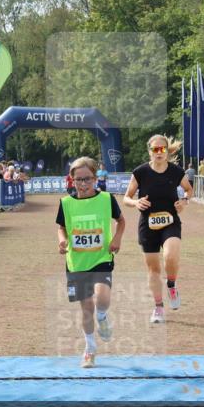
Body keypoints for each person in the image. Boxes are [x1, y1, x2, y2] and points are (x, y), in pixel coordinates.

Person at [56, 157, 125, 368]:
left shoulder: (106, 199)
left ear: (95, 178)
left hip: (101, 257)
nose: (83, 184)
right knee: (86, 307)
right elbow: (61, 227)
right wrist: (62, 240)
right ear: (72, 180)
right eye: (78, 180)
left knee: (102, 299)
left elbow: (121, 221)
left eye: (87, 179)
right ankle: (90, 349)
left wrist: (117, 238)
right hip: (77, 263)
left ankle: (102, 317)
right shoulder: (66, 203)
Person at [123, 135, 193, 323]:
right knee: (153, 270)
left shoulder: (176, 171)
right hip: (148, 225)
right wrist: (136, 202)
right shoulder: (140, 172)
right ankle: (158, 307)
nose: (159, 152)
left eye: (163, 149)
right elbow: (126, 198)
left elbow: (189, 190)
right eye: (155, 149)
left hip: (171, 221)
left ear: (167, 151)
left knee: (171, 256)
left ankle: (171, 285)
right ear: (150, 152)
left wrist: (184, 201)